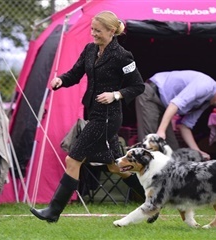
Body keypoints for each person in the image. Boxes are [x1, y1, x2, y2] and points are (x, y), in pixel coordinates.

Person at [30, 11, 145, 223]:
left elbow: (138, 86)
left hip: (108, 117)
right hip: (94, 113)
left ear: (111, 31)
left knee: (72, 159)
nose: (93, 34)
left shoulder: (123, 56)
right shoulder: (90, 50)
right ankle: (152, 200)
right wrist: (61, 80)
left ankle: (53, 211)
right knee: (113, 166)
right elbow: (75, 73)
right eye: (92, 29)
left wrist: (116, 95)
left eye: (98, 31)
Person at [135, 70, 216, 160]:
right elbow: (175, 104)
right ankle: (141, 179)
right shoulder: (205, 85)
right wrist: (161, 131)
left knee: (172, 149)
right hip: (151, 94)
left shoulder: (207, 101)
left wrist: (198, 151)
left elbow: (185, 126)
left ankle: (171, 179)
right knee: (149, 142)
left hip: (164, 105)